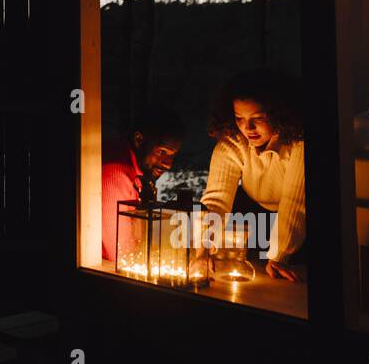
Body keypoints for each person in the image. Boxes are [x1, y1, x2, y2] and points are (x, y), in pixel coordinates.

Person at [199, 70, 306, 281]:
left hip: (300, 226)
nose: (247, 128)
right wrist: (202, 249)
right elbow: (216, 201)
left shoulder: (299, 144)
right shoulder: (232, 143)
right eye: (239, 118)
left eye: (258, 118)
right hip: (254, 217)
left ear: (280, 115)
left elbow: (295, 202)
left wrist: (280, 255)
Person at [102, 106, 185, 262]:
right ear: (139, 140)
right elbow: (122, 254)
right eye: (162, 152)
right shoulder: (116, 173)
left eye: (173, 156)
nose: (168, 164)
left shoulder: (134, 172)